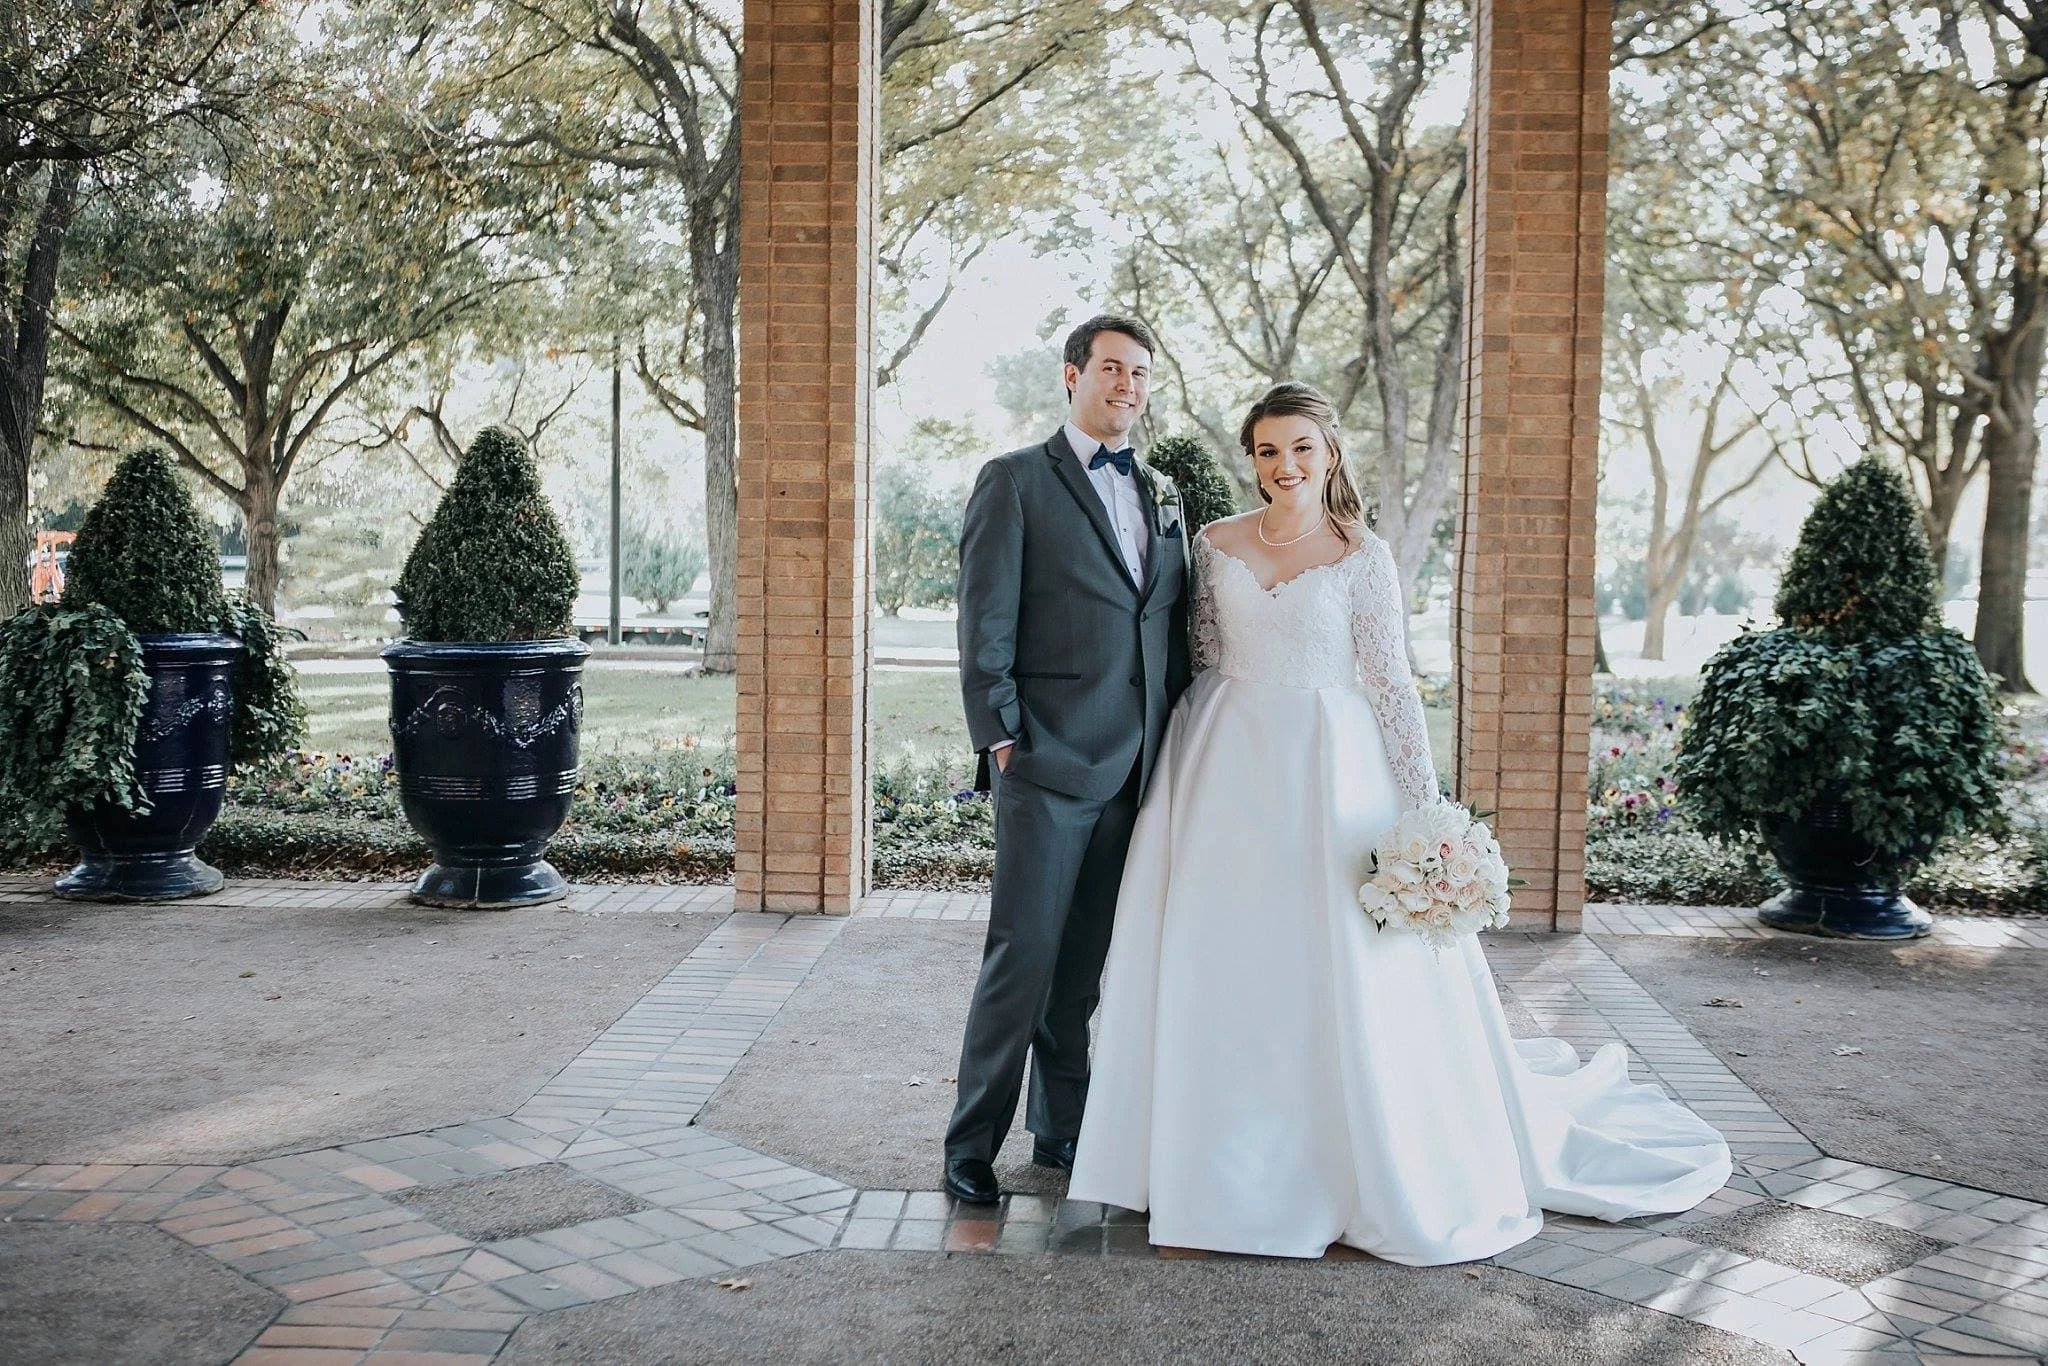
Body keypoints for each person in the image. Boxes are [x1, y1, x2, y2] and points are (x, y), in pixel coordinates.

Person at [1065, 381, 1730, 1263]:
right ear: (1252, 459)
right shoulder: (1216, 544)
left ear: (1330, 452)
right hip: (1224, 768)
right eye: (1267, 450)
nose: (1284, 466)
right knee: (1221, 951)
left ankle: (1346, 1157)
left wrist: (1425, 817)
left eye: (1301, 447)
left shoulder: (1362, 554)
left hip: (1332, 772)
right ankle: (1203, 1160)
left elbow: (1390, 684)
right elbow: (1202, 659)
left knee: (1335, 955)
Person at [943, 315, 1192, 1205]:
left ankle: (1061, 1131)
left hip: (1135, 773)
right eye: (1113, 368)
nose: (1128, 385)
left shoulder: (1162, 492)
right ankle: (970, 1144)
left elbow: (1161, 624)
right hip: (1046, 767)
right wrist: (1004, 739)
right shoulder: (1014, 482)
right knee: (1022, 959)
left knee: (1083, 970)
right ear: (1072, 376)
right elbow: (984, 624)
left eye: (1142, 374)